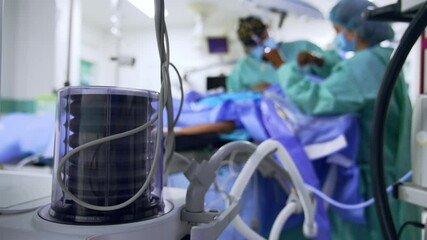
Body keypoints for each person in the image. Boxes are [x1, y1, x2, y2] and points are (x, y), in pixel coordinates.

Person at [264, 0, 420, 239]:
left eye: (339, 31)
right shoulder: (380, 57)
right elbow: (347, 75)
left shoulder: (366, 65)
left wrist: (282, 67)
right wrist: (321, 62)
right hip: (384, 165)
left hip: (373, 177)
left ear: (355, 30)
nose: (338, 37)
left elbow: (314, 99)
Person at [226, 16, 323, 92]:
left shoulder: (303, 47)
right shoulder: (242, 68)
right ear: (247, 46)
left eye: (262, 37)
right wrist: (252, 92)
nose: (261, 45)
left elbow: (332, 71)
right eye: (254, 44)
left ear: (268, 30)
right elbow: (234, 98)